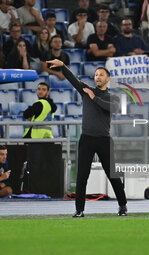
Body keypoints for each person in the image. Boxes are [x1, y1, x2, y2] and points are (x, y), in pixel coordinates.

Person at [46, 59, 127, 217]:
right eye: (96, 75)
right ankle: (79, 210)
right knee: (82, 176)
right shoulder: (86, 90)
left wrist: (94, 98)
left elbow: (112, 108)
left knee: (113, 175)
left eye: (101, 75)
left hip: (104, 140)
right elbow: (73, 80)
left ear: (108, 79)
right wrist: (63, 66)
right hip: (87, 139)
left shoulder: (113, 98)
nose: (97, 77)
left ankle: (122, 205)